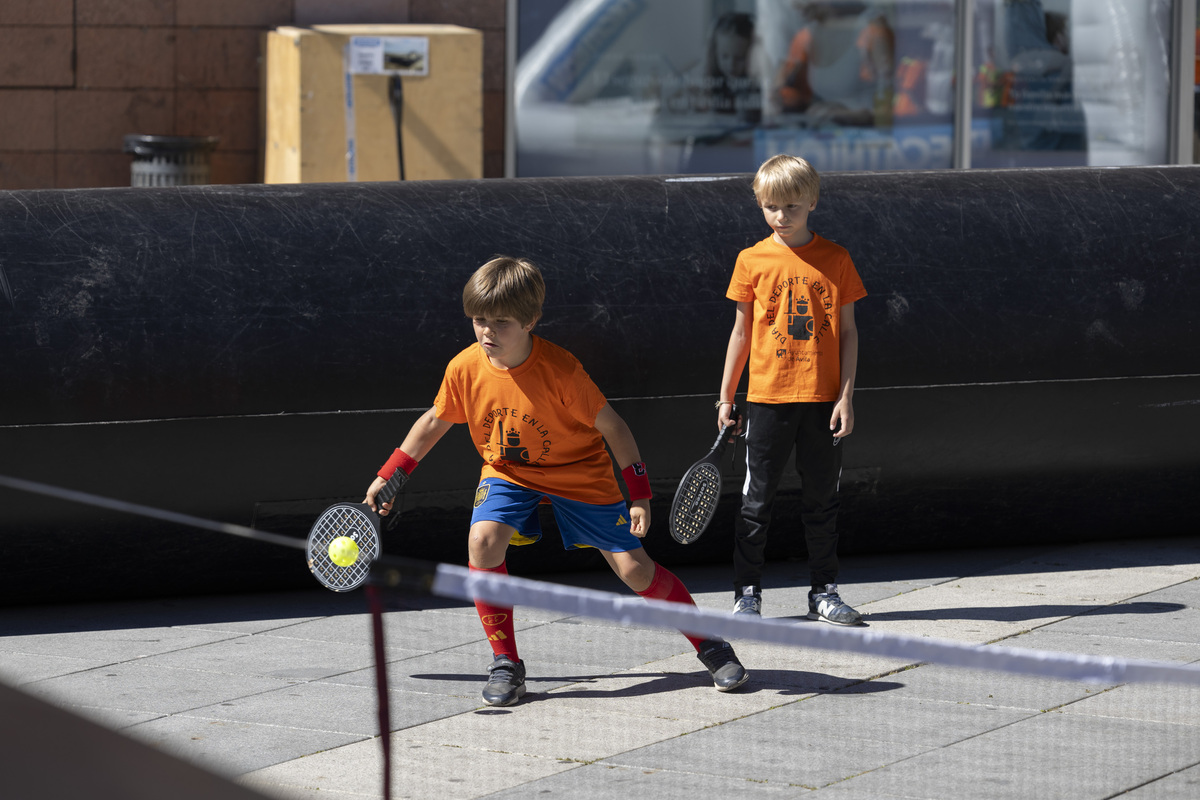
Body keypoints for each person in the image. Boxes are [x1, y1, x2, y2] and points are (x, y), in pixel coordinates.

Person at [364, 256, 749, 707]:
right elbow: (434, 421)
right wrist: (391, 474)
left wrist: (639, 495)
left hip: (581, 474)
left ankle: (710, 643)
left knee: (634, 570)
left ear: (530, 320)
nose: (487, 332)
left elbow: (615, 429)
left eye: (500, 322)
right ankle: (506, 663)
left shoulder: (562, 371)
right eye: (478, 320)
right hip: (508, 473)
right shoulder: (465, 368)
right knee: (482, 543)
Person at [716, 154, 866, 625]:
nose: (782, 216)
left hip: (823, 404)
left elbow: (848, 332)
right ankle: (747, 596)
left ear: (813, 202)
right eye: (772, 207)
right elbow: (740, 334)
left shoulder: (837, 258)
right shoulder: (751, 260)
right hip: (766, 402)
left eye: (793, 207)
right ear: (761, 205)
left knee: (822, 500)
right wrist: (726, 398)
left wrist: (846, 396)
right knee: (755, 502)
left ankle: (824, 591)